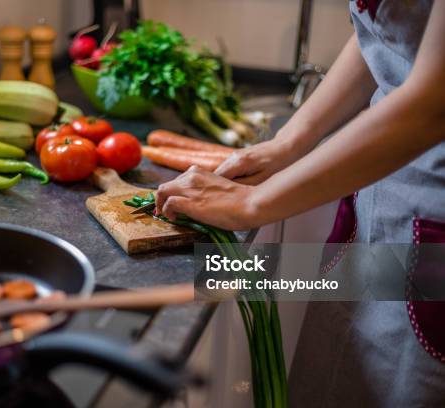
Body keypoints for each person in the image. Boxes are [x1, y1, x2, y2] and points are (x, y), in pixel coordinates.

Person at [155, 0, 444, 405]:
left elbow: (432, 103)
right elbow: (382, 36)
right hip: (383, 198)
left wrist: (255, 202)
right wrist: (286, 144)